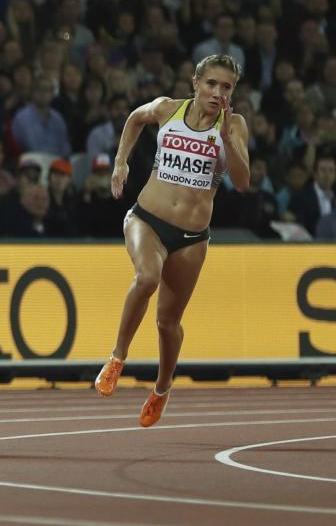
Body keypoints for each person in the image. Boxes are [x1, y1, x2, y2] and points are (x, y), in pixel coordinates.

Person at [94, 54, 250, 427]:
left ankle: (162, 389)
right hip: (146, 219)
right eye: (211, 84)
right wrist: (120, 162)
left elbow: (243, 181)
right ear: (195, 83)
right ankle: (117, 357)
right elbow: (135, 118)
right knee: (146, 277)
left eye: (226, 88)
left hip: (192, 237)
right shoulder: (168, 109)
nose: (217, 93)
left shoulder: (234, 125)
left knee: (168, 322)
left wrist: (228, 138)